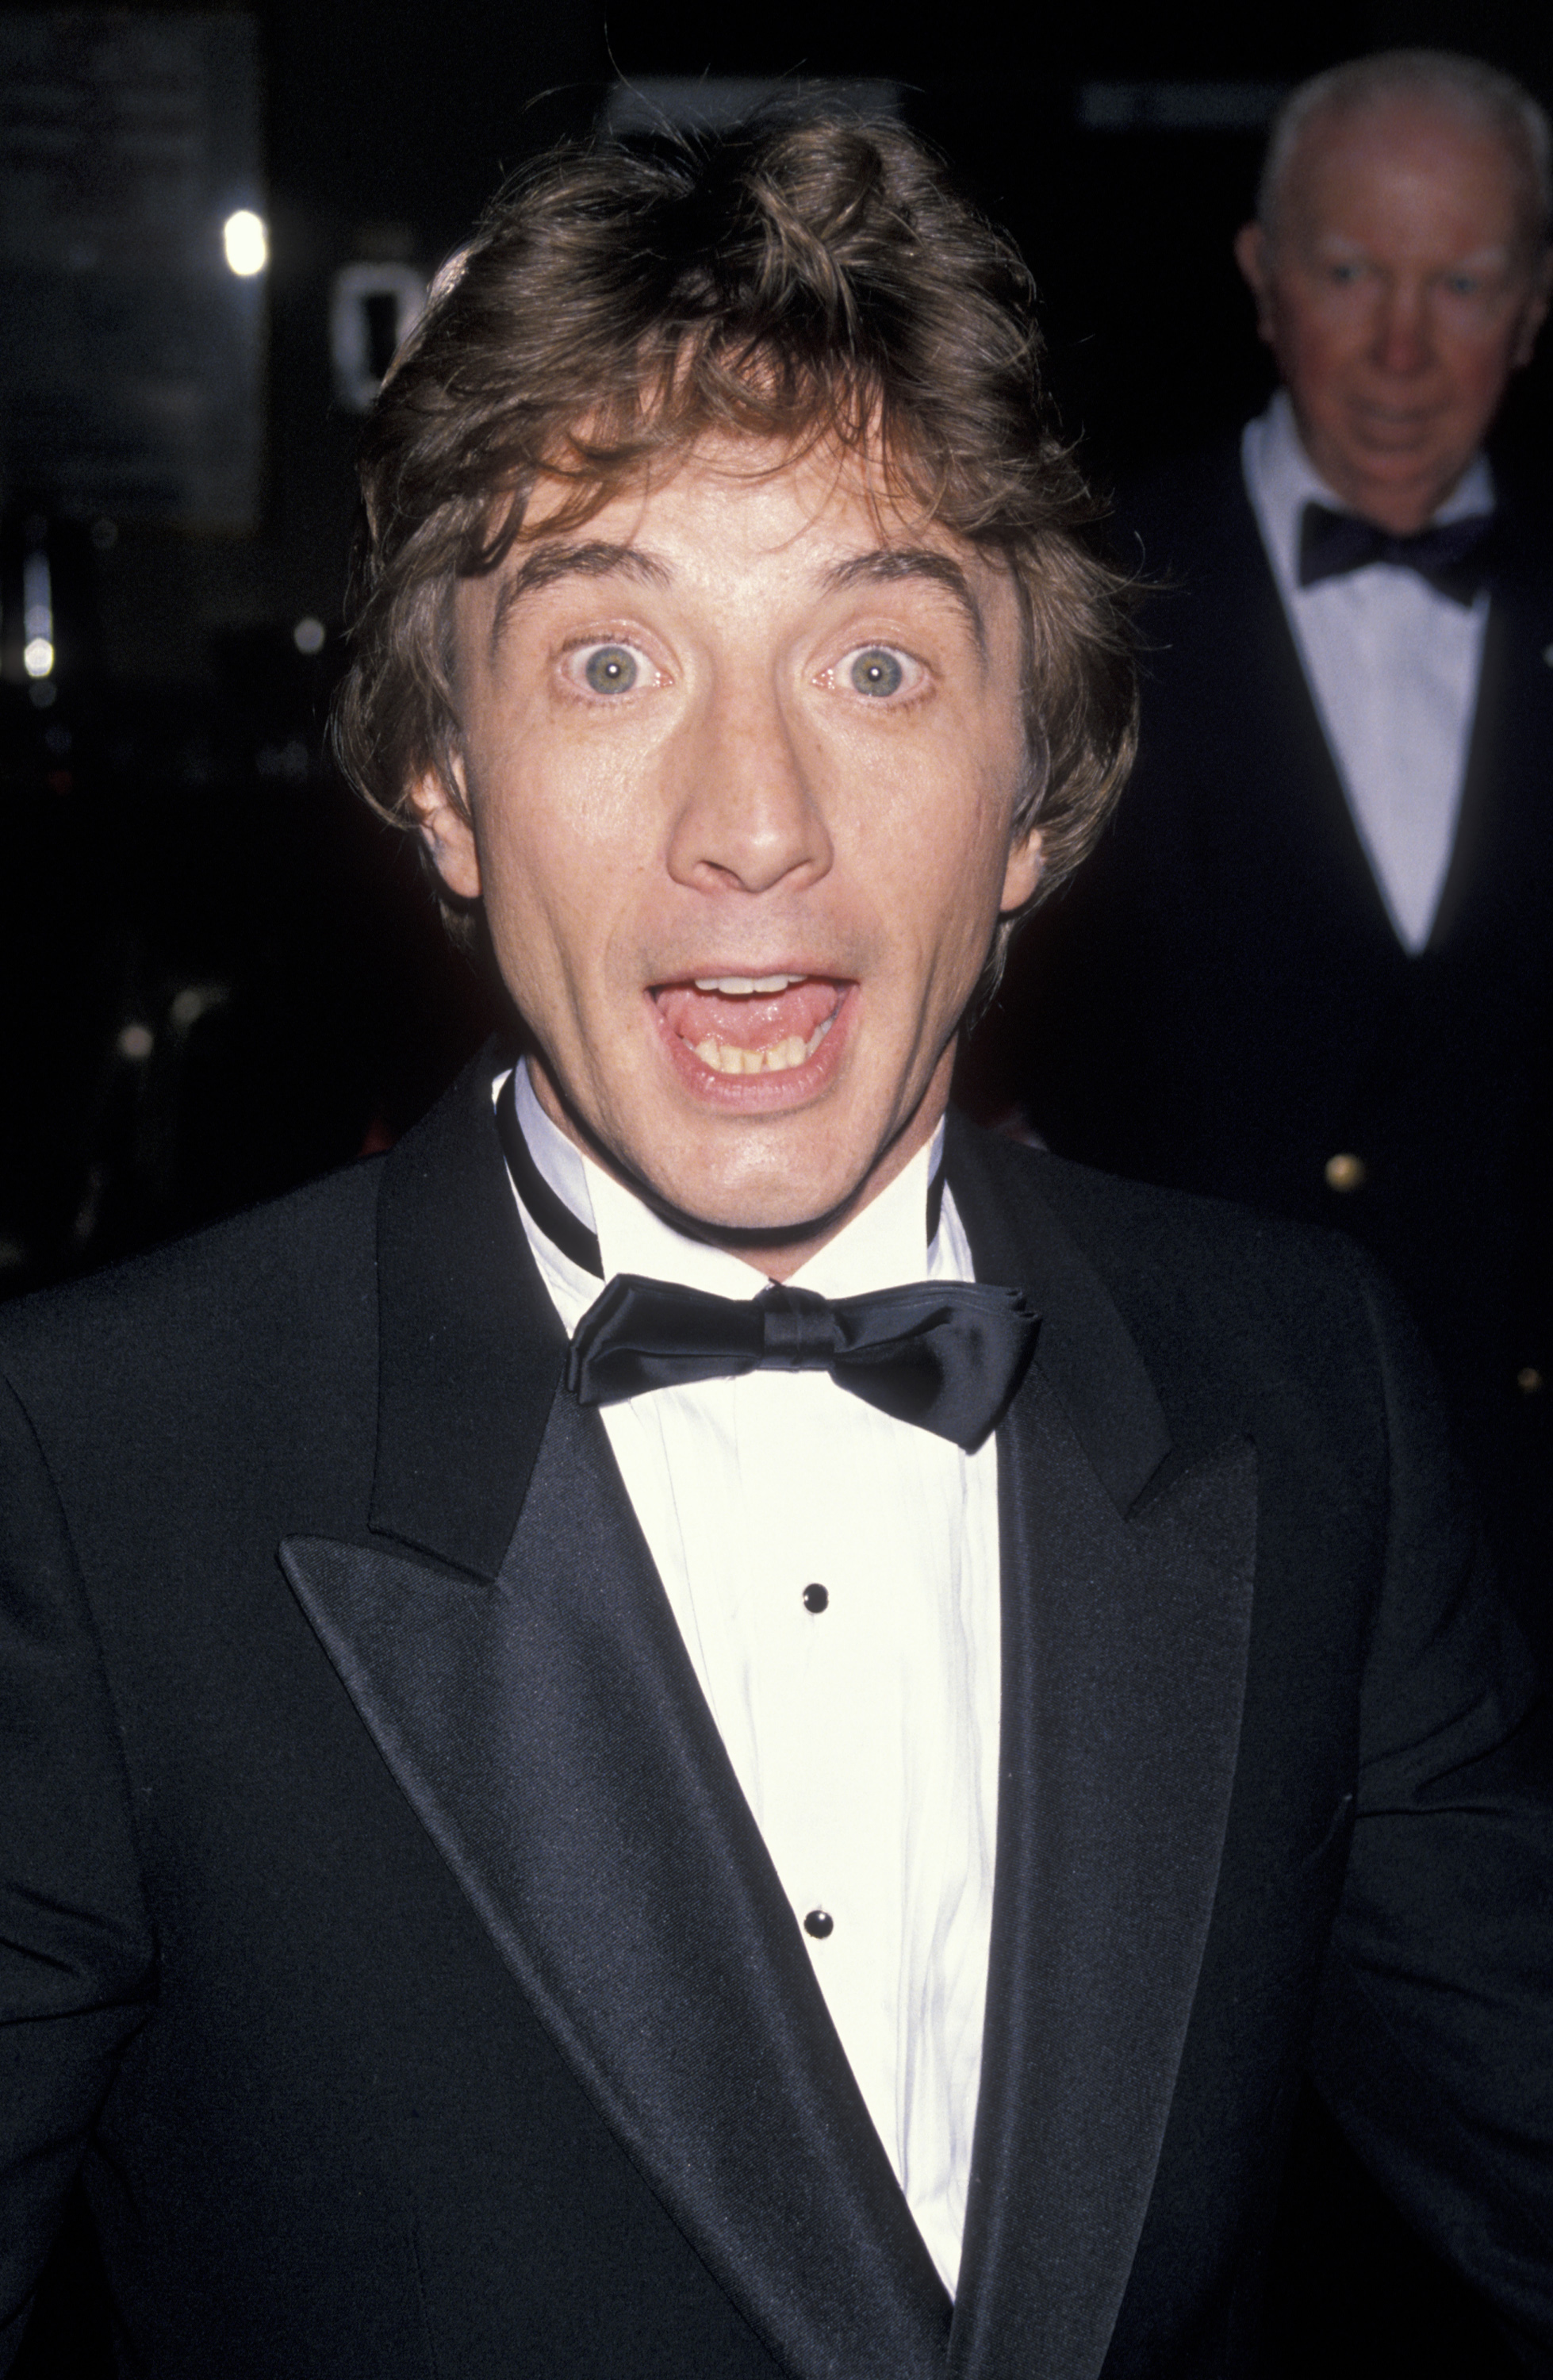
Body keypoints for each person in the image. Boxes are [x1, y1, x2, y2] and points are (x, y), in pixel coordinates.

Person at [2, 113, 1550, 2380]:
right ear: (439, 768)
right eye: (611, 665)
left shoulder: (1300, 1393)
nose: (753, 827)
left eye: (876, 668)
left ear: (1036, 779)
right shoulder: (92, 1475)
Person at [997, 50, 1553, 1671]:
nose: (1398, 347)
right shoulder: (1076, 598)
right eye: (1346, 272)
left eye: (1459, 282)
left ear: (1532, 302)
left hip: (1519, 1538)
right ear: (1259, 279)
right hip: (1172, 1493)